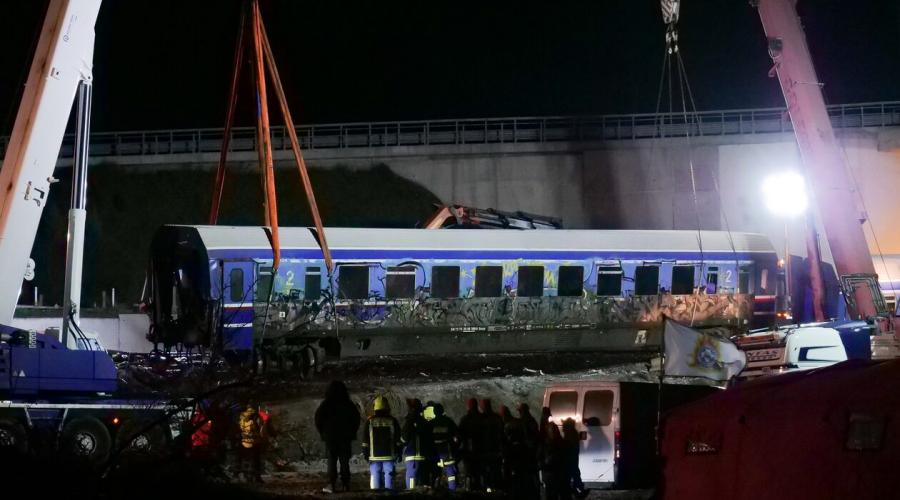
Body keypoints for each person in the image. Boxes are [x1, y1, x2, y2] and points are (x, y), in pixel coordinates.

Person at [314, 381, 361, 494]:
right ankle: (346, 484)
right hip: (345, 436)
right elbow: (356, 419)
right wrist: (352, 432)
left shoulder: (326, 404)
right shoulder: (348, 404)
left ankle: (332, 484)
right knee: (344, 461)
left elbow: (318, 419)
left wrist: (323, 433)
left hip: (330, 437)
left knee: (332, 460)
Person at [361, 395, 402, 491]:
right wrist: (399, 452)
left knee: (375, 474)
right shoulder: (392, 420)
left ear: (375, 408)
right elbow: (398, 439)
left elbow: (365, 440)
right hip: (389, 455)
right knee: (389, 474)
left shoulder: (370, 421)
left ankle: (375, 494)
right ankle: (389, 493)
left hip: (374, 456)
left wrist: (366, 454)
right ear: (387, 407)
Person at [401, 398, 432, 489]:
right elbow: (429, 439)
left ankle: (411, 494)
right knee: (423, 480)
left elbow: (403, 439)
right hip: (423, 455)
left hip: (411, 455)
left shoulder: (408, 422)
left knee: (411, 479)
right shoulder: (425, 422)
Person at [429, 403, 459, 490]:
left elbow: (426, 438)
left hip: (434, 452)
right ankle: (452, 491)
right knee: (450, 473)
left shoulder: (430, 423)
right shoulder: (449, 421)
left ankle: (434, 491)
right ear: (442, 411)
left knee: (435, 473)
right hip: (447, 452)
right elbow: (457, 436)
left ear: (434, 412)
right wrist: (455, 447)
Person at [479, 399, 505, 493]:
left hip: (486, 450)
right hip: (495, 450)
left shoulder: (480, 418)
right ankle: (497, 489)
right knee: (495, 470)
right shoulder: (497, 418)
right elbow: (502, 434)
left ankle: (488, 489)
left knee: (486, 472)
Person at [540, 421, 570, 500]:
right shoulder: (546, 444)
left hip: (556, 474)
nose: (552, 432)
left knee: (556, 494)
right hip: (553, 475)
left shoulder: (559, 443)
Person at [458, 397, 483, 491]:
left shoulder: (465, 419)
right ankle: (480, 490)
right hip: (481, 450)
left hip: (468, 450)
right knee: (479, 472)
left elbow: (459, 434)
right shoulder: (482, 418)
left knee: (469, 472)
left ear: (468, 406)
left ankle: (469, 489)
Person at [238, 402, 264, 483]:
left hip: (244, 441)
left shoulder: (242, 416)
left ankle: (247, 476)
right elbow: (261, 431)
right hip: (255, 442)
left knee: (247, 459)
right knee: (256, 459)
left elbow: (239, 428)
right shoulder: (257, 416)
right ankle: (257, 477)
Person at [561, 418, 586, 497]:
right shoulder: (573, 433)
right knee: (575, 475)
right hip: (572, 459)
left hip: (570, 460)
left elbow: (567, 448)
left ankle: (578, 491)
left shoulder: (570, 435)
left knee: (572, 476)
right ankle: (578, 491)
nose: (562, 428)